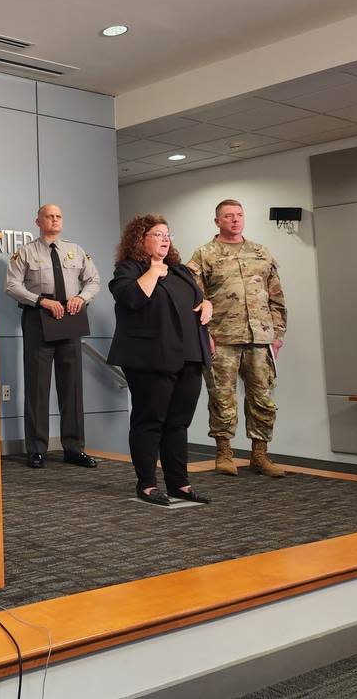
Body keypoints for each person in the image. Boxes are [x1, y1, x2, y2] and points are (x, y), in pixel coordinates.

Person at [108, 215, 213, 506]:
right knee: (149, 421)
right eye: (157, 234)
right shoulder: (129, 269)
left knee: (178, 423)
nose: (165, 239)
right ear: (140, 239)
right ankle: (147, 484)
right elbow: (130, 298)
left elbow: (196, 298)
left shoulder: (180, 271)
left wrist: (207, 304)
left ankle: (179, 483)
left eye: (168, 234)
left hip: (189, 355)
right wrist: (153, 271)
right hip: (150, 358)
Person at [187, 200, 288, 478]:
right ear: (217, 221)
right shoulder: (205, 254)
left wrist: (277, 335)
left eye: (239, 215)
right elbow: (194, 301)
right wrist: (202, 335)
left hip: (260, 338)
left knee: (263, 398)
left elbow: (276, 297)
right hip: (221, 338)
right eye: (228, 216)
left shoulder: (260, 252)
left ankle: (260, 455)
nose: (235, 220)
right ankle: (224, 453)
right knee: (222, 397)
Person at [4, 204, 101, 469]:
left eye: (59, 216)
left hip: (70, 317)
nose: (55, 220)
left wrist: (81, 298)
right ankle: (36, 449)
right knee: (37, 387)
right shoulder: (25, 252)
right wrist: (40, 301)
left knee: (72, 386)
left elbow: (93, 280)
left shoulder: (76, 250)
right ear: (38, 220)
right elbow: (12, 285)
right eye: (50, 216)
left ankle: (74, 447)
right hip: (39, 318)